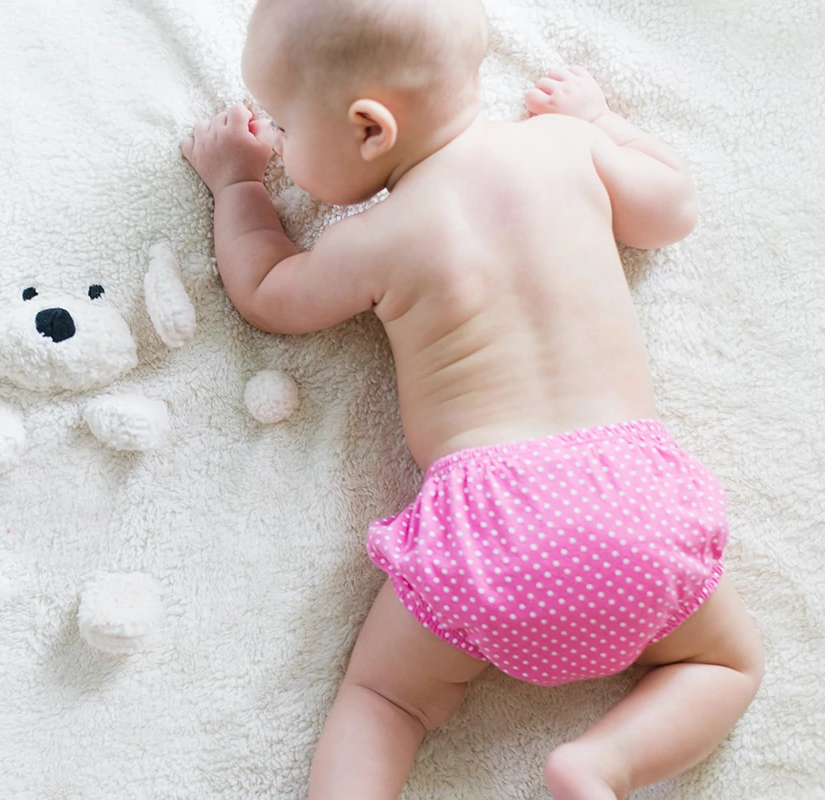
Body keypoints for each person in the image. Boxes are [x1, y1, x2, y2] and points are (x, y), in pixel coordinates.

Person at [180, 1, 764, 797]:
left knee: (386, 701)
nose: (276, 142)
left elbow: (269, 293)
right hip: (635, 506)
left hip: (493, 531)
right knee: (726, 664)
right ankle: (603, 763)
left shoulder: (375, 238)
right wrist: (601, 122)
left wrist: (236, 184)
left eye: (284, 126)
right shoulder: (566, 148)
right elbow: (671, 210)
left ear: (370, 129)